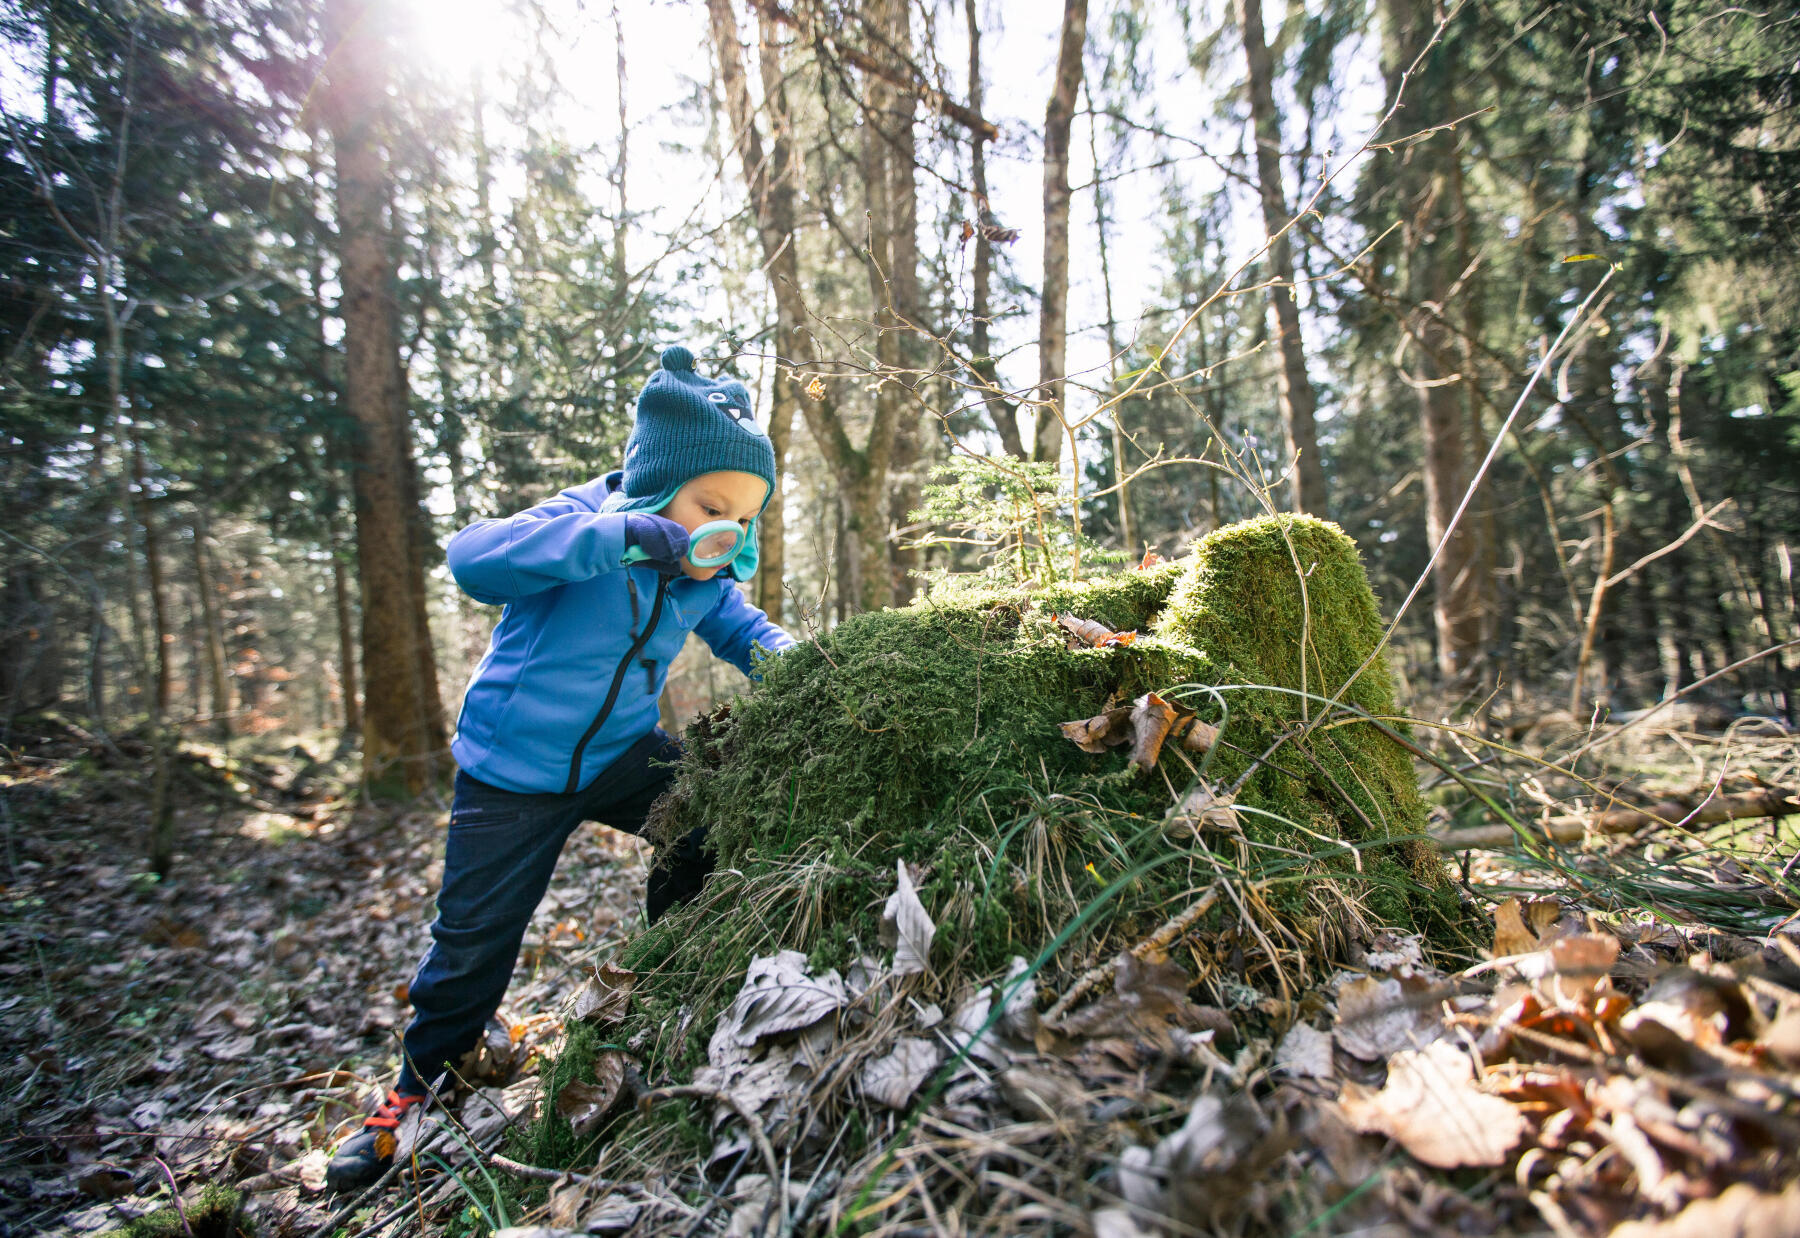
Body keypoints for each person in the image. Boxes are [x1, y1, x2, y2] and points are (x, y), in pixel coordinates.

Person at [326, 345, 793, 1193]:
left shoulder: (705, 570)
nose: (725, 529)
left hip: (618, 753)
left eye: (745, 517)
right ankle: (416, 1092)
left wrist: (798, 663)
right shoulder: (583, 520)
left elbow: (740, 626)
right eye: (709, 504)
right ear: (656, 483)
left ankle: (665, 981)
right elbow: (474, 558)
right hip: (511, 769)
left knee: (706, 818)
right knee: (472, 943)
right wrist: (606, 542)